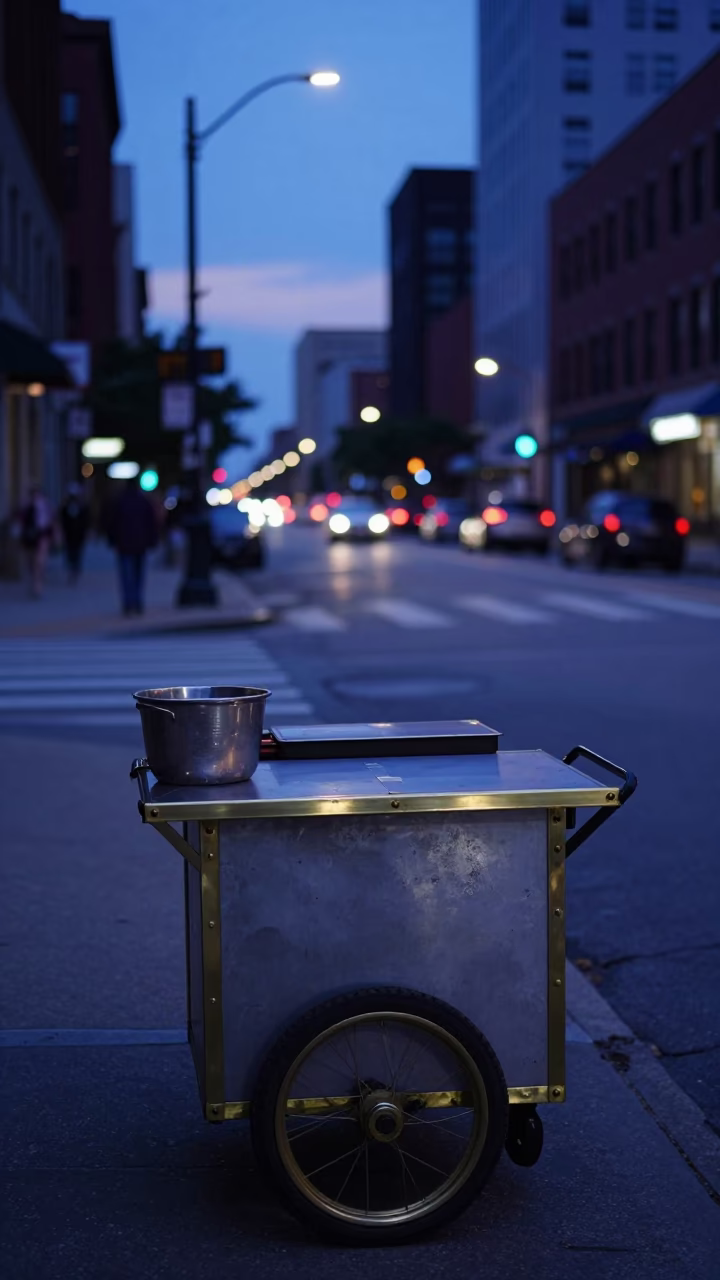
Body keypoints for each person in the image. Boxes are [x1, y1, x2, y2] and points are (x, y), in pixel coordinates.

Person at [104, 480, 159, 616]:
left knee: (126, 574)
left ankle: (129, 602)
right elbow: (152, 523)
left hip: (124, 544)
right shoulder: (143, 502)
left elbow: (111, 522)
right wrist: (152, 541)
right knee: (138, 574)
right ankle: (137, 601)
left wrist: (112, 540)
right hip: (140, 543)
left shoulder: (120, 502)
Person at [18, 486, 56, 598]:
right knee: (31, 562)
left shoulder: (46, 507)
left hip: (42, 536)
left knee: (39, 562)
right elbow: (21, 522)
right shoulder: (26, 508)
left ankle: (37, 585)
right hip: (29, 538)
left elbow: (51, 522)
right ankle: (34, 581)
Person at [60, 483, 90, 583]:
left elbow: (85, 521)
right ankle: (72, 569)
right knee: (70, 553)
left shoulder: (82, 507)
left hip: (78, 535)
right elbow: (63, 520)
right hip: (69, 535)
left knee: (77, 553)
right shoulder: (65, 507)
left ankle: (75, 569)